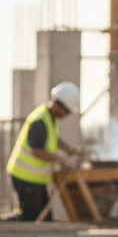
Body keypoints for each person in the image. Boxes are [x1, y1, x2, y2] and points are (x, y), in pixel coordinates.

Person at [4, 82, 80, 221]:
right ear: (58, 104)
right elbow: (37, 151)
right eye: (67, 110)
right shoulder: (40, 120)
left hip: (35, 178)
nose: (67, 114)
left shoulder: (50, 118)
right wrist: (62, 159)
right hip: (24, 176)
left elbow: (52, 139)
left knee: (44, 218)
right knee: (30, 217)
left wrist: (69, 150)